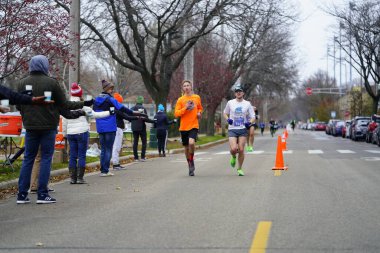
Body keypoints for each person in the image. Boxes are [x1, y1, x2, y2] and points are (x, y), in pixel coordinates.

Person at [15, 55, 88, 204]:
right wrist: (83, 105)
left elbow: (18, 105)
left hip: (30, 126)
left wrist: (27, 116)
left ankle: (22, 194)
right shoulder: (52, 83)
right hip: (48, 126)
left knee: (28, 158)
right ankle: (42, 194)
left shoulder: (22, 83)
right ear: (45, 66)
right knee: (46, 158)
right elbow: (64, 104)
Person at [30, 108, 89, 192]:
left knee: (36, 158)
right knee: (46, 157)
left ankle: (34, 186)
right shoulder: (52, 102)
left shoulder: (32, 103)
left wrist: (64, 133)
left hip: (33, 128)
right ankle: (43, 186)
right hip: (47, 129)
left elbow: (64, 119)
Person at [93, 80, 145, 177]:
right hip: (110, 127)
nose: (112, 90)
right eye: (111, 88)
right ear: (107, 89)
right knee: (109, 149)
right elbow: (121, 108)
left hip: (100, 127)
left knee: (104, 149)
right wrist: (134, 112)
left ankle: (102, 170)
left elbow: (94, 111)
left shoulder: (96, 99)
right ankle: (106, 170)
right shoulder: (110, 99)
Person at [62, 83, 111, 184]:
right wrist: (109, 112)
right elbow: (95, 115)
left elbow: (64, 121)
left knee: (72, 156)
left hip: (71, 133)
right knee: (82, 155)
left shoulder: (66, 105)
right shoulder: (83, 105)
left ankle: (72, 178)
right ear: (79, 94)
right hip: (82, 132)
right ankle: (80, 178)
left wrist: (65, 134)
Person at [223, 84, 255, 176]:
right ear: (235, 93)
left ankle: (239, 168)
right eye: (237, 91)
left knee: (241, 149)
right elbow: (225, 113)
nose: (238, 93)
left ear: (243, 93)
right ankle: (233, 156)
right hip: (232, 129)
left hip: (242, 129)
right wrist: (227, 119)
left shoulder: (247, 104)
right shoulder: (230, 102)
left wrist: (249, 122)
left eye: (240, 91)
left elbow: (253, 116)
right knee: (233, 149)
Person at [174, 80, 203, 176]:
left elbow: (200, 108)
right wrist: (185, 108)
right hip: (183, 127)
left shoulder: (196, 97)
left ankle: (192, 160)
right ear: (183, 88)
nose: (186, 87)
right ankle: (190, 164)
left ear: (191, 87)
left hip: (194, 125)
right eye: (184, 86)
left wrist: (199, 113)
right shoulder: (180, 100)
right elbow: (177, 113)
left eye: (188, 85)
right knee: (186, 148)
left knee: (191, 142)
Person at [111, 92, 140, 170]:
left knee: (117, 146)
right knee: (116, 146)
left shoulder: (115, 108)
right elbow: (126, 117)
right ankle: (115, 164)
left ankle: (116, 163)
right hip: (117, 128)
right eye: (120, 102)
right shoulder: (117, 109)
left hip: (118, 128)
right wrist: (137, 117)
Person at [130, 96, 149, 162]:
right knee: (144, 142)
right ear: (142, 101)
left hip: (134, 127)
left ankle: (136, 157)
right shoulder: (143, 108)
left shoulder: (132, 108)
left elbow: (129, 117)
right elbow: (146, 118)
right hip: (142, 127)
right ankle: (142, 156)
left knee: (135, 142)